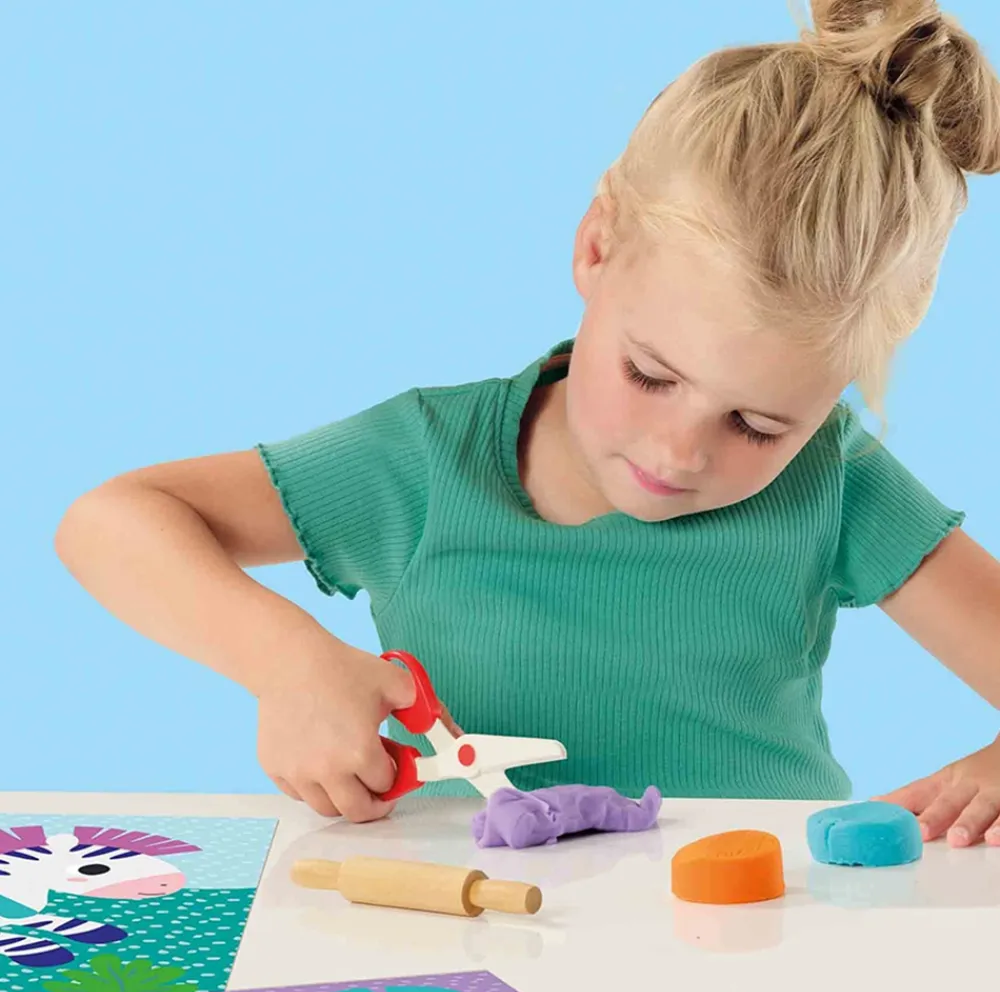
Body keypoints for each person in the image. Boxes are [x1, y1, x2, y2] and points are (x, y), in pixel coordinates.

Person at [55, 0, 1000, 845]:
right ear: (597, 246)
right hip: (462, 934)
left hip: (755, 932)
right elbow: (110, 521)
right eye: (650, 374)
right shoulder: (426, 462)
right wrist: (285, 661)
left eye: (759, 425)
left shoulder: (833, 481)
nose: (679, 451)